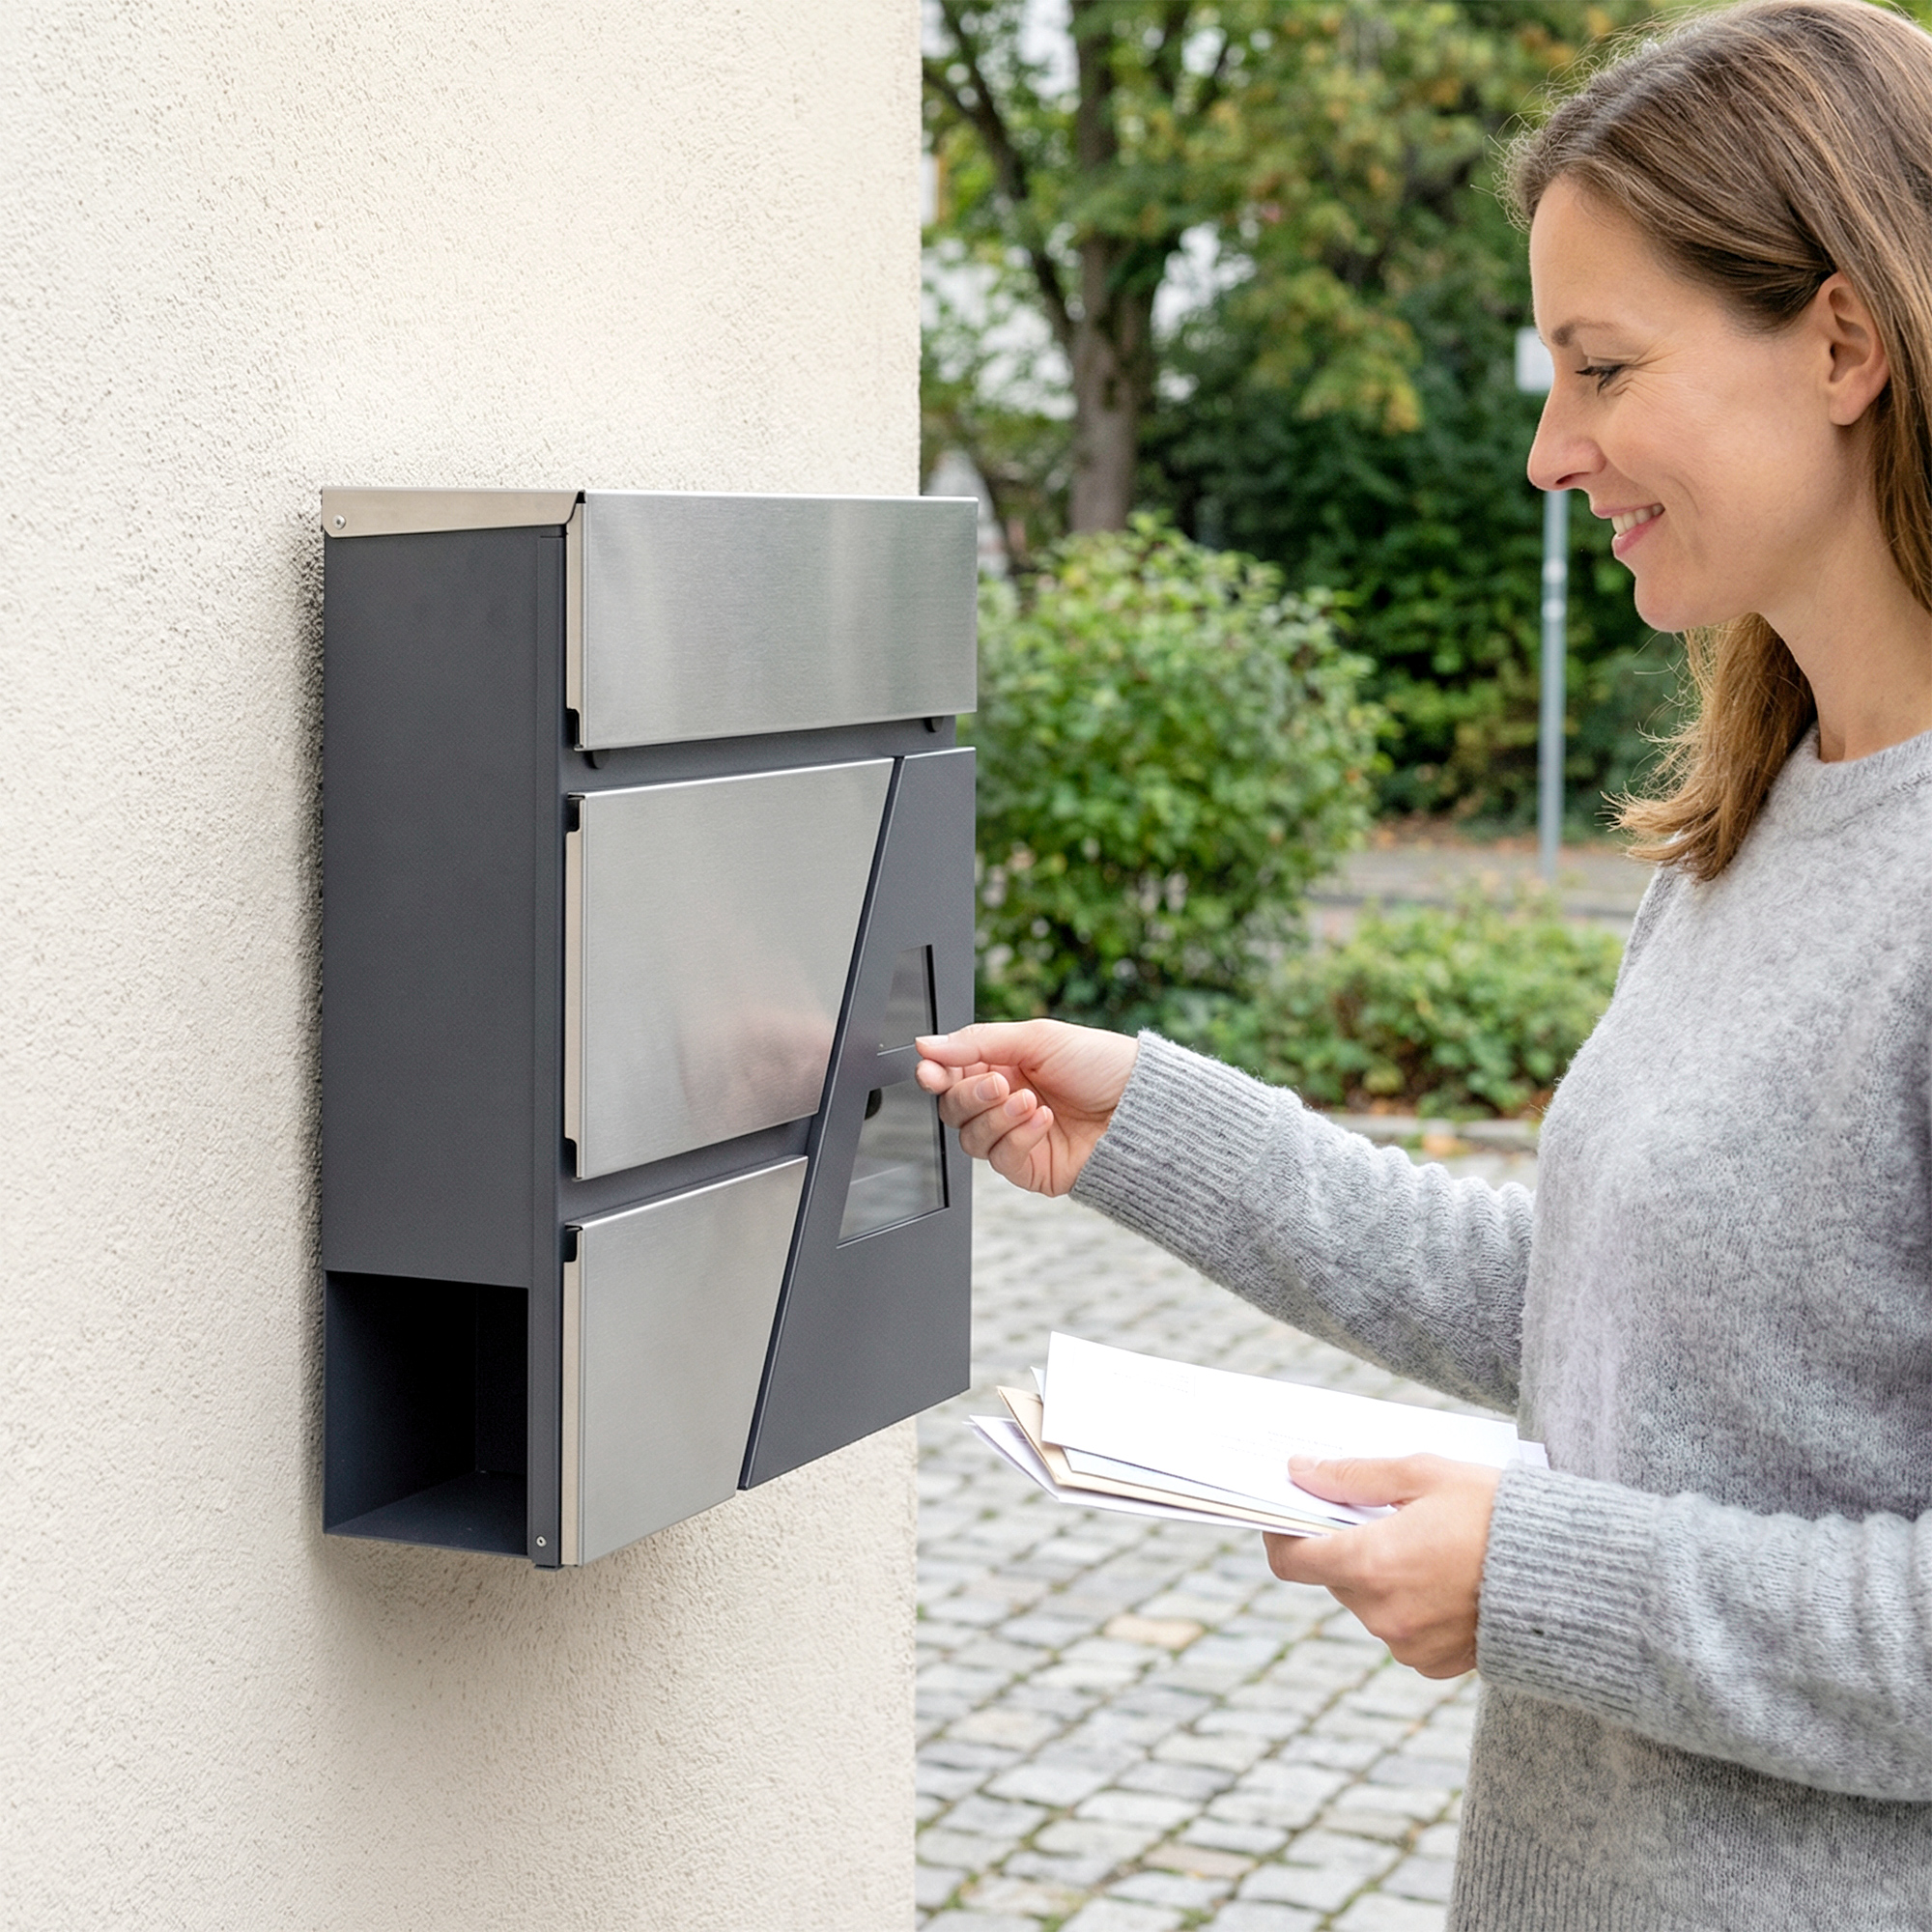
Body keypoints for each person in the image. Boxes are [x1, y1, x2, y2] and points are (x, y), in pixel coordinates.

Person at [914, 3, 1932, 1924]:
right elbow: (1595, 1292)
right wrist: (1149, 1122)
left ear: (1844, 340)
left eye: (1602, 366)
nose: (1553, 451)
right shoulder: (1766, 811)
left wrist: (1533, 1574)